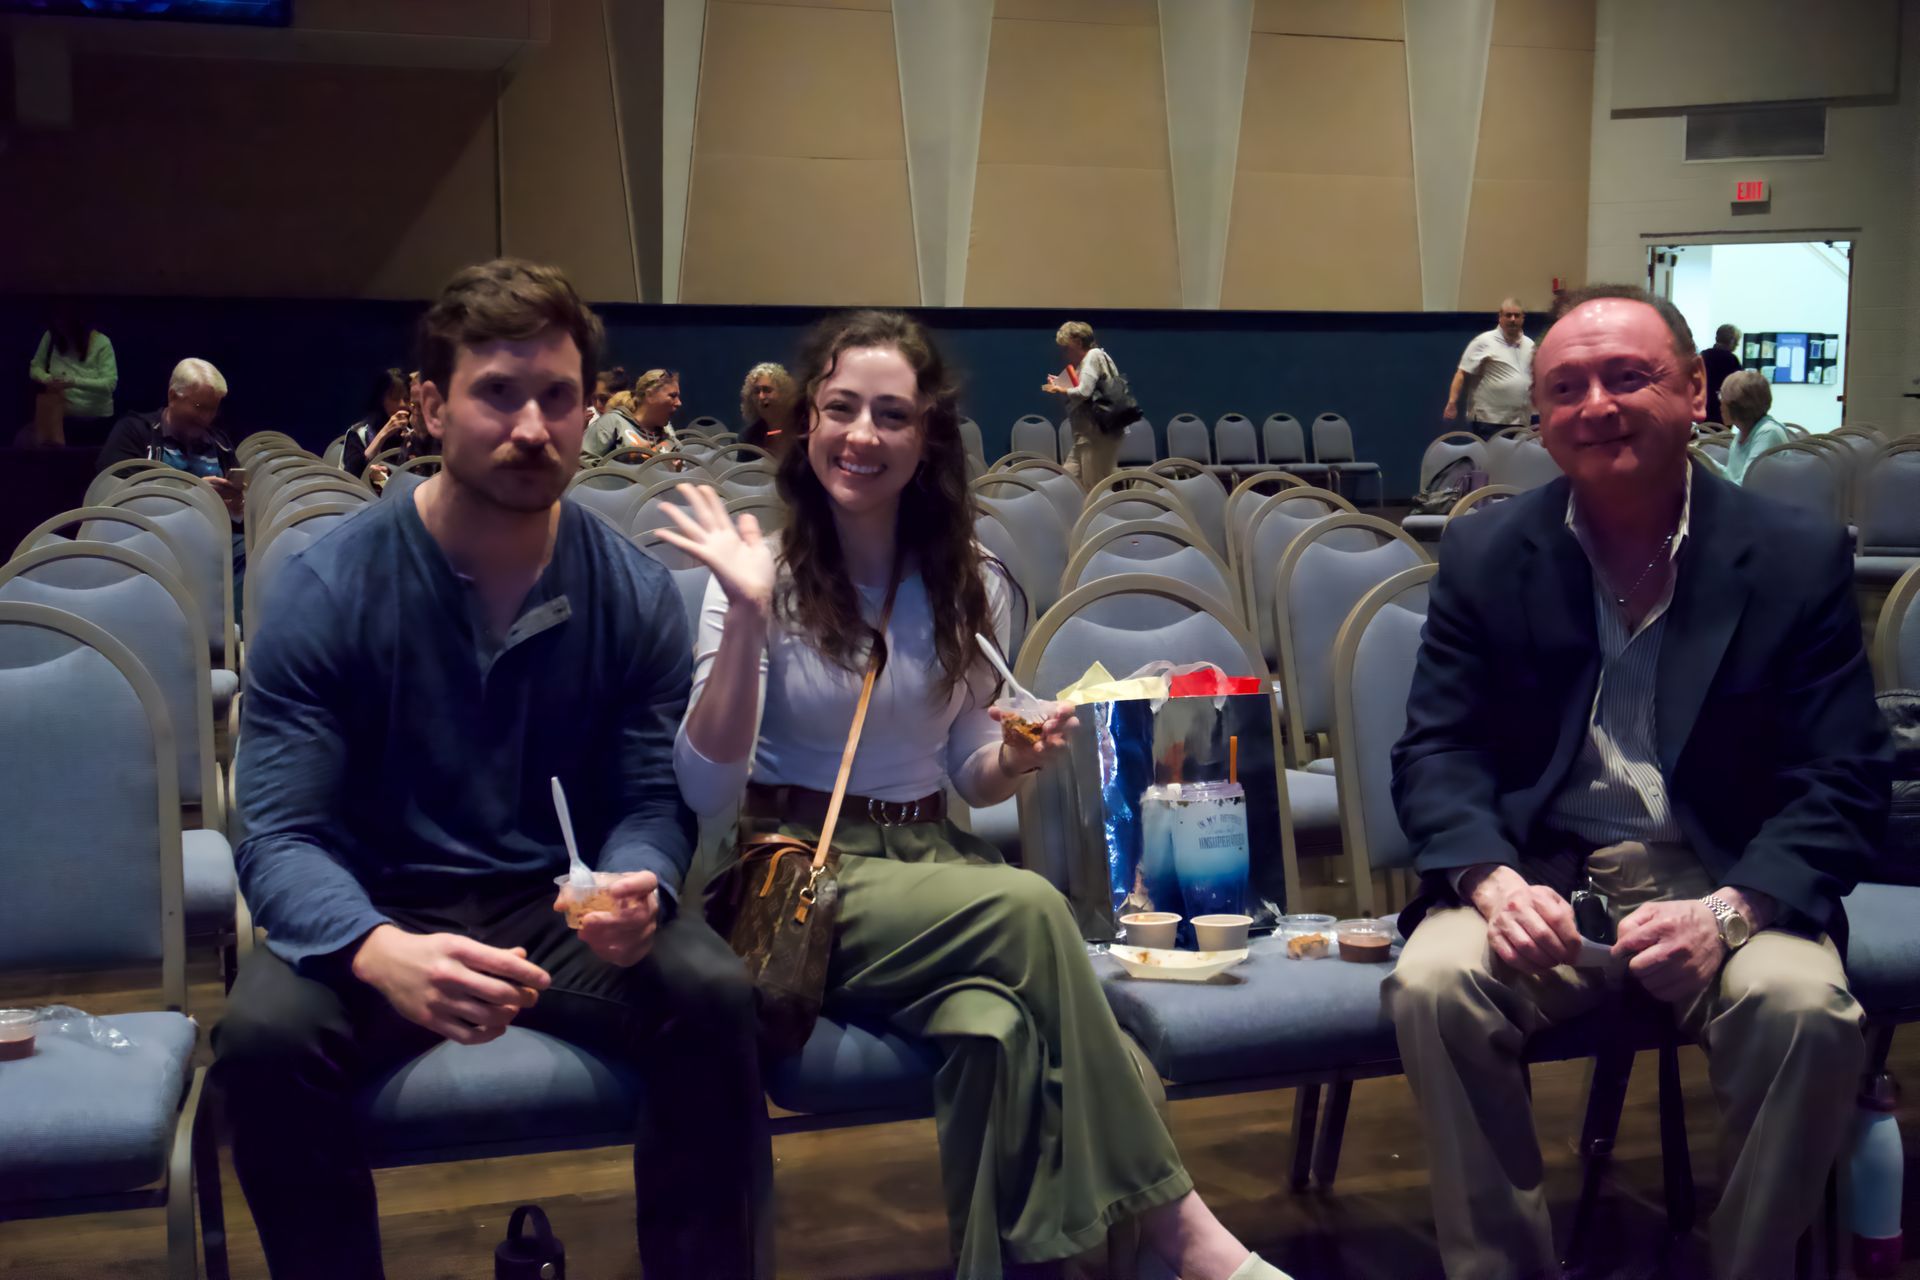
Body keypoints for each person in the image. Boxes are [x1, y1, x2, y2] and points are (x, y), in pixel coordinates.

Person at [659, 308, 1290, 1280]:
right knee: (1035, 906)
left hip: (932, 870)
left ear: (927, 439)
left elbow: (965, 768)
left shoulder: (968, 582)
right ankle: (1183, 1236)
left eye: (891, 415)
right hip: (798, 870)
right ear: (807, 422)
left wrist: (1020, 756)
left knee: (993, 1027)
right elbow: (704, 782)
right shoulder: (760, 574)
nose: (862, 434)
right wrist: (744, 619)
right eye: (840, 408)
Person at [211, 259, 772, 1280]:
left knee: (712, 995)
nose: (532, 426)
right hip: (376, 901)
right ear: (430, 404)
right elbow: (281, 835)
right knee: (262, 1041)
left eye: (559, 396)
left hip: (555, 906)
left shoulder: (635, 592)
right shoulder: (325, 586)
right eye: (497, 393)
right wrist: (375, 947)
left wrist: (636, 879)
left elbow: (651, 796)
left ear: (587, 406)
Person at [1385, 284, 1889, 1280]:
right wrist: (1489, 882)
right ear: (1541, 416)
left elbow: (1843, 779)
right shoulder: (1488, 551)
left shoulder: (1792, 555)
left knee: (1806, 1011)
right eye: (1565, 388)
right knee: (1435, 982)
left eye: (1629, 377)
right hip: (1544, 874)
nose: (1596, 406)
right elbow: (1437, 749)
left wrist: (1733, 911)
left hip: (1728, 873)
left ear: (1696, 392)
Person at [97, 357, 242, 522]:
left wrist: (236, 508)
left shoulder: (219, 442)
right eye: (199, 407)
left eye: (212, 409)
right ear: (173, 396)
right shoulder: (135, 432)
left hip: (215, 536)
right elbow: (116, 495)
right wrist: (195, 493)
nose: (206, 417)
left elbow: (236, 515)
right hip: (149, 536)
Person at [1042, 320, 1126, 488]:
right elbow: (1087, 389)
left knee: (1094, 489)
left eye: (1067, 348)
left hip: (1095, 435)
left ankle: (1103, 514)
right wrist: (1061, 382)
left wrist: (1060, 389)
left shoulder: (1092, 356)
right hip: (1087, 436)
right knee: (1067, 483)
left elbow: (1084, 392)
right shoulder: (1094, 359)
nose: (1065, 353)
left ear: (1078, 342)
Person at [1443, 298, 1534, 438]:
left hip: (1521, 420)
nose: (1512, 319)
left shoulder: (1530, 345)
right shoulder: (1484, 342)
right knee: (1494, 460)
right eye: (1508, 315)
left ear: (1523, 318)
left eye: (1517, 315)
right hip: (1490, 421)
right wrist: (1452, 402)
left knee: (1518, 460)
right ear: (1500, 317)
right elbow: (1461, 373)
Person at [28, 308, 118, 448]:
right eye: (58, 324)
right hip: (60, 419)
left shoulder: (102, 342)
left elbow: (109, 384)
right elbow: (35, 367)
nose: (62, 330)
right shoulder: (51, 336)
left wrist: (74, 382)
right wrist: (48, 379)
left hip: (97, 421)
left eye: (66, 325)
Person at [582, 367, 679, 465]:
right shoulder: (614, 422)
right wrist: (628, 465)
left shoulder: (668, 438)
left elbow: (688, 468)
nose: (679, 403)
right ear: (650, 395)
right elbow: (584, 464)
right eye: (672, 396)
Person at [1718, 369, 1792, 485]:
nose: (1720, 403)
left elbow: (1746, 484)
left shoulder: (1768, 432)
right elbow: (1731, 478)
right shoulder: (1744, 432)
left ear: (1739, 405)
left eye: (1723, 398)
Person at [339, 367, 409, 478]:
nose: (402, 404)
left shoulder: (412, 433)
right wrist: (383, 434)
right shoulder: (359, 433)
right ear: (381, 400)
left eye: (406, 399)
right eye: (395, 398)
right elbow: (350, 475)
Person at [738, 361, 794, 452]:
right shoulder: (748, 438)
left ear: (784, 393)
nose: (761, 397)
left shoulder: (802, 429)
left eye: (767, 390)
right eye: (756, 392)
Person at [1702, 323, 1743, 425]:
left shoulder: (1703, 355)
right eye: (1736, 342)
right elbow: (1740, 385)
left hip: (1703, 407)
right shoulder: (1732, 360)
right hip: (1724, 409)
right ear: (1732, 341)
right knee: (1723, 439)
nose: (1737, 345)